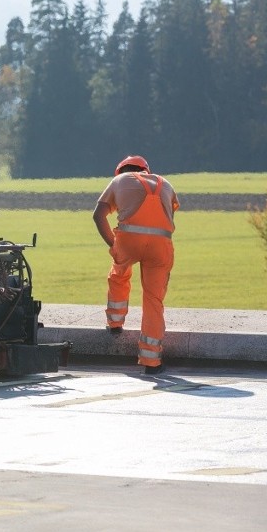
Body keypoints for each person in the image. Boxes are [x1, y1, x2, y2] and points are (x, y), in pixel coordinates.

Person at [92, 155, 179, 375]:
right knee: (153, 299)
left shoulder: (119, 180)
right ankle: (152, 362)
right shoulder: (166, 183)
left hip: (129, 240)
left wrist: (114, 245)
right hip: (161, 245)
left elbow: (98, 215)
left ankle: (115, 323)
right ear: (147, 170)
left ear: (122, 170)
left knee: (119, 273)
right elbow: (168, 214)